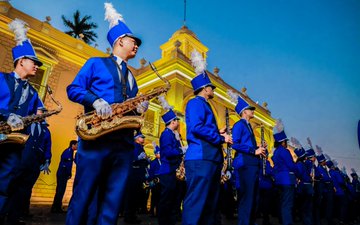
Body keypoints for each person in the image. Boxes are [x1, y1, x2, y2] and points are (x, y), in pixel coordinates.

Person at [66, 3, 146, 224]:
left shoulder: (132, 77)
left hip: (123, 145)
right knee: (83, 195)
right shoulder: (95, 63)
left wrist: (137, 108)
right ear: (120, 41)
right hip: (96, 140)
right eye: (133, 41)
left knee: (112, 201)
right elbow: (73, 89)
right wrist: (95, 100)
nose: (137, 45)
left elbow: (130, 108)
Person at [0, 18, 44, 225]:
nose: (36, 66)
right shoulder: (1, 78)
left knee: (5, 183)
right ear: (21, 62)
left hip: (15, 144)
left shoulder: (34, 92)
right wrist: (5, 113)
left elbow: (37, 112)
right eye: (33, 61)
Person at [182, 50, 232, 225]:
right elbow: (196, 127)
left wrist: (219, 133)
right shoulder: (195, 102)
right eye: (211, 87)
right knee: (196, 202)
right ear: (204, 88)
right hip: (201, 158)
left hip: (209, 158)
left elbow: (203, 127)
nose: (212, 90)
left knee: (209, 203)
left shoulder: (204, 103)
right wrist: (221, 138)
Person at [230, 93, 266, 225]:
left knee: (254, 197)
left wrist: (259, 148)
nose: (253, 111)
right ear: (244, 112)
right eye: (251, 109)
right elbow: (235, 144)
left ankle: (250, 221)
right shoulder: (239, 125)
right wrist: (253, 150)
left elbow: (247, 144)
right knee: (247, 197)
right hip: (246, 164)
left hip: (252, 163)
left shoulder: (249, 126)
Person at [7, 118, 51, 223]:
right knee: (11, 186)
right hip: (21, 159)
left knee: (25, 190)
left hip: (35, 163)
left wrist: (47, 160)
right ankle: (4, 212)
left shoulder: (46, 130)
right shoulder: (24, 124)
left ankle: (16, 217)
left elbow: (48, 146)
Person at [157, 109, 184, 225]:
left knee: (172, 197)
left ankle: (169, 219)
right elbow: (168, 152)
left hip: (172, 170)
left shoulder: (171, 134)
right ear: (172, 122)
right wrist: (181, 150)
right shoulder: (166, 134)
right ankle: (164, 221)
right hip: (167, 170)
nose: (178, 123)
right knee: (166, 198)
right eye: (177, 121)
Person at [271, 120, 298, 225]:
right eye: (285, 141)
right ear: (282, 142)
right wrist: (296, 170)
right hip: (287, 180)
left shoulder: (276, 152)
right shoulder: (284, 151)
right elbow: (291, 165)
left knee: (283, 203)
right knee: (288, 204)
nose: (286, 143)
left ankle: (283, 221)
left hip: (279, 180)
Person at [123, 131, 149, 224]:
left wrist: (146, 160)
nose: (143, 139)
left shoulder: (141, 147)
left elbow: (143, 161)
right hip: (134, 174)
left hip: (139, 175)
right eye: (142, 137)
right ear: (137, 138)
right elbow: (132, 159)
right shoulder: (133, 146)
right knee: (131, 197)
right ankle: (129, 216)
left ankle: (133, 215)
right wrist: (139, 158)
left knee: (136, 197)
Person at [51, 140, 77, 213]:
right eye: (76, 145)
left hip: (63, 174)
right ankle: (56, 208)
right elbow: (67, 165)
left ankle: (56, 207)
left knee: (60, 191)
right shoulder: (68, 152)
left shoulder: (70, 152)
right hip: (62, 174)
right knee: (60, 191)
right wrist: (69, 173)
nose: (77, 146)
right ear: (73, 145)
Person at [148, 142, 161, 217]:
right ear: (156, 154)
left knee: (160, 197)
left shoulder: (163, 161)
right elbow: (151, 172)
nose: (160, 154)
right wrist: (151, 180)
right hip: (155, 182)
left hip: (161, 181)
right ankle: (152, 212)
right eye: (158, 153)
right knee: (154, 197)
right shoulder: (153, 162)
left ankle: (159, 211)